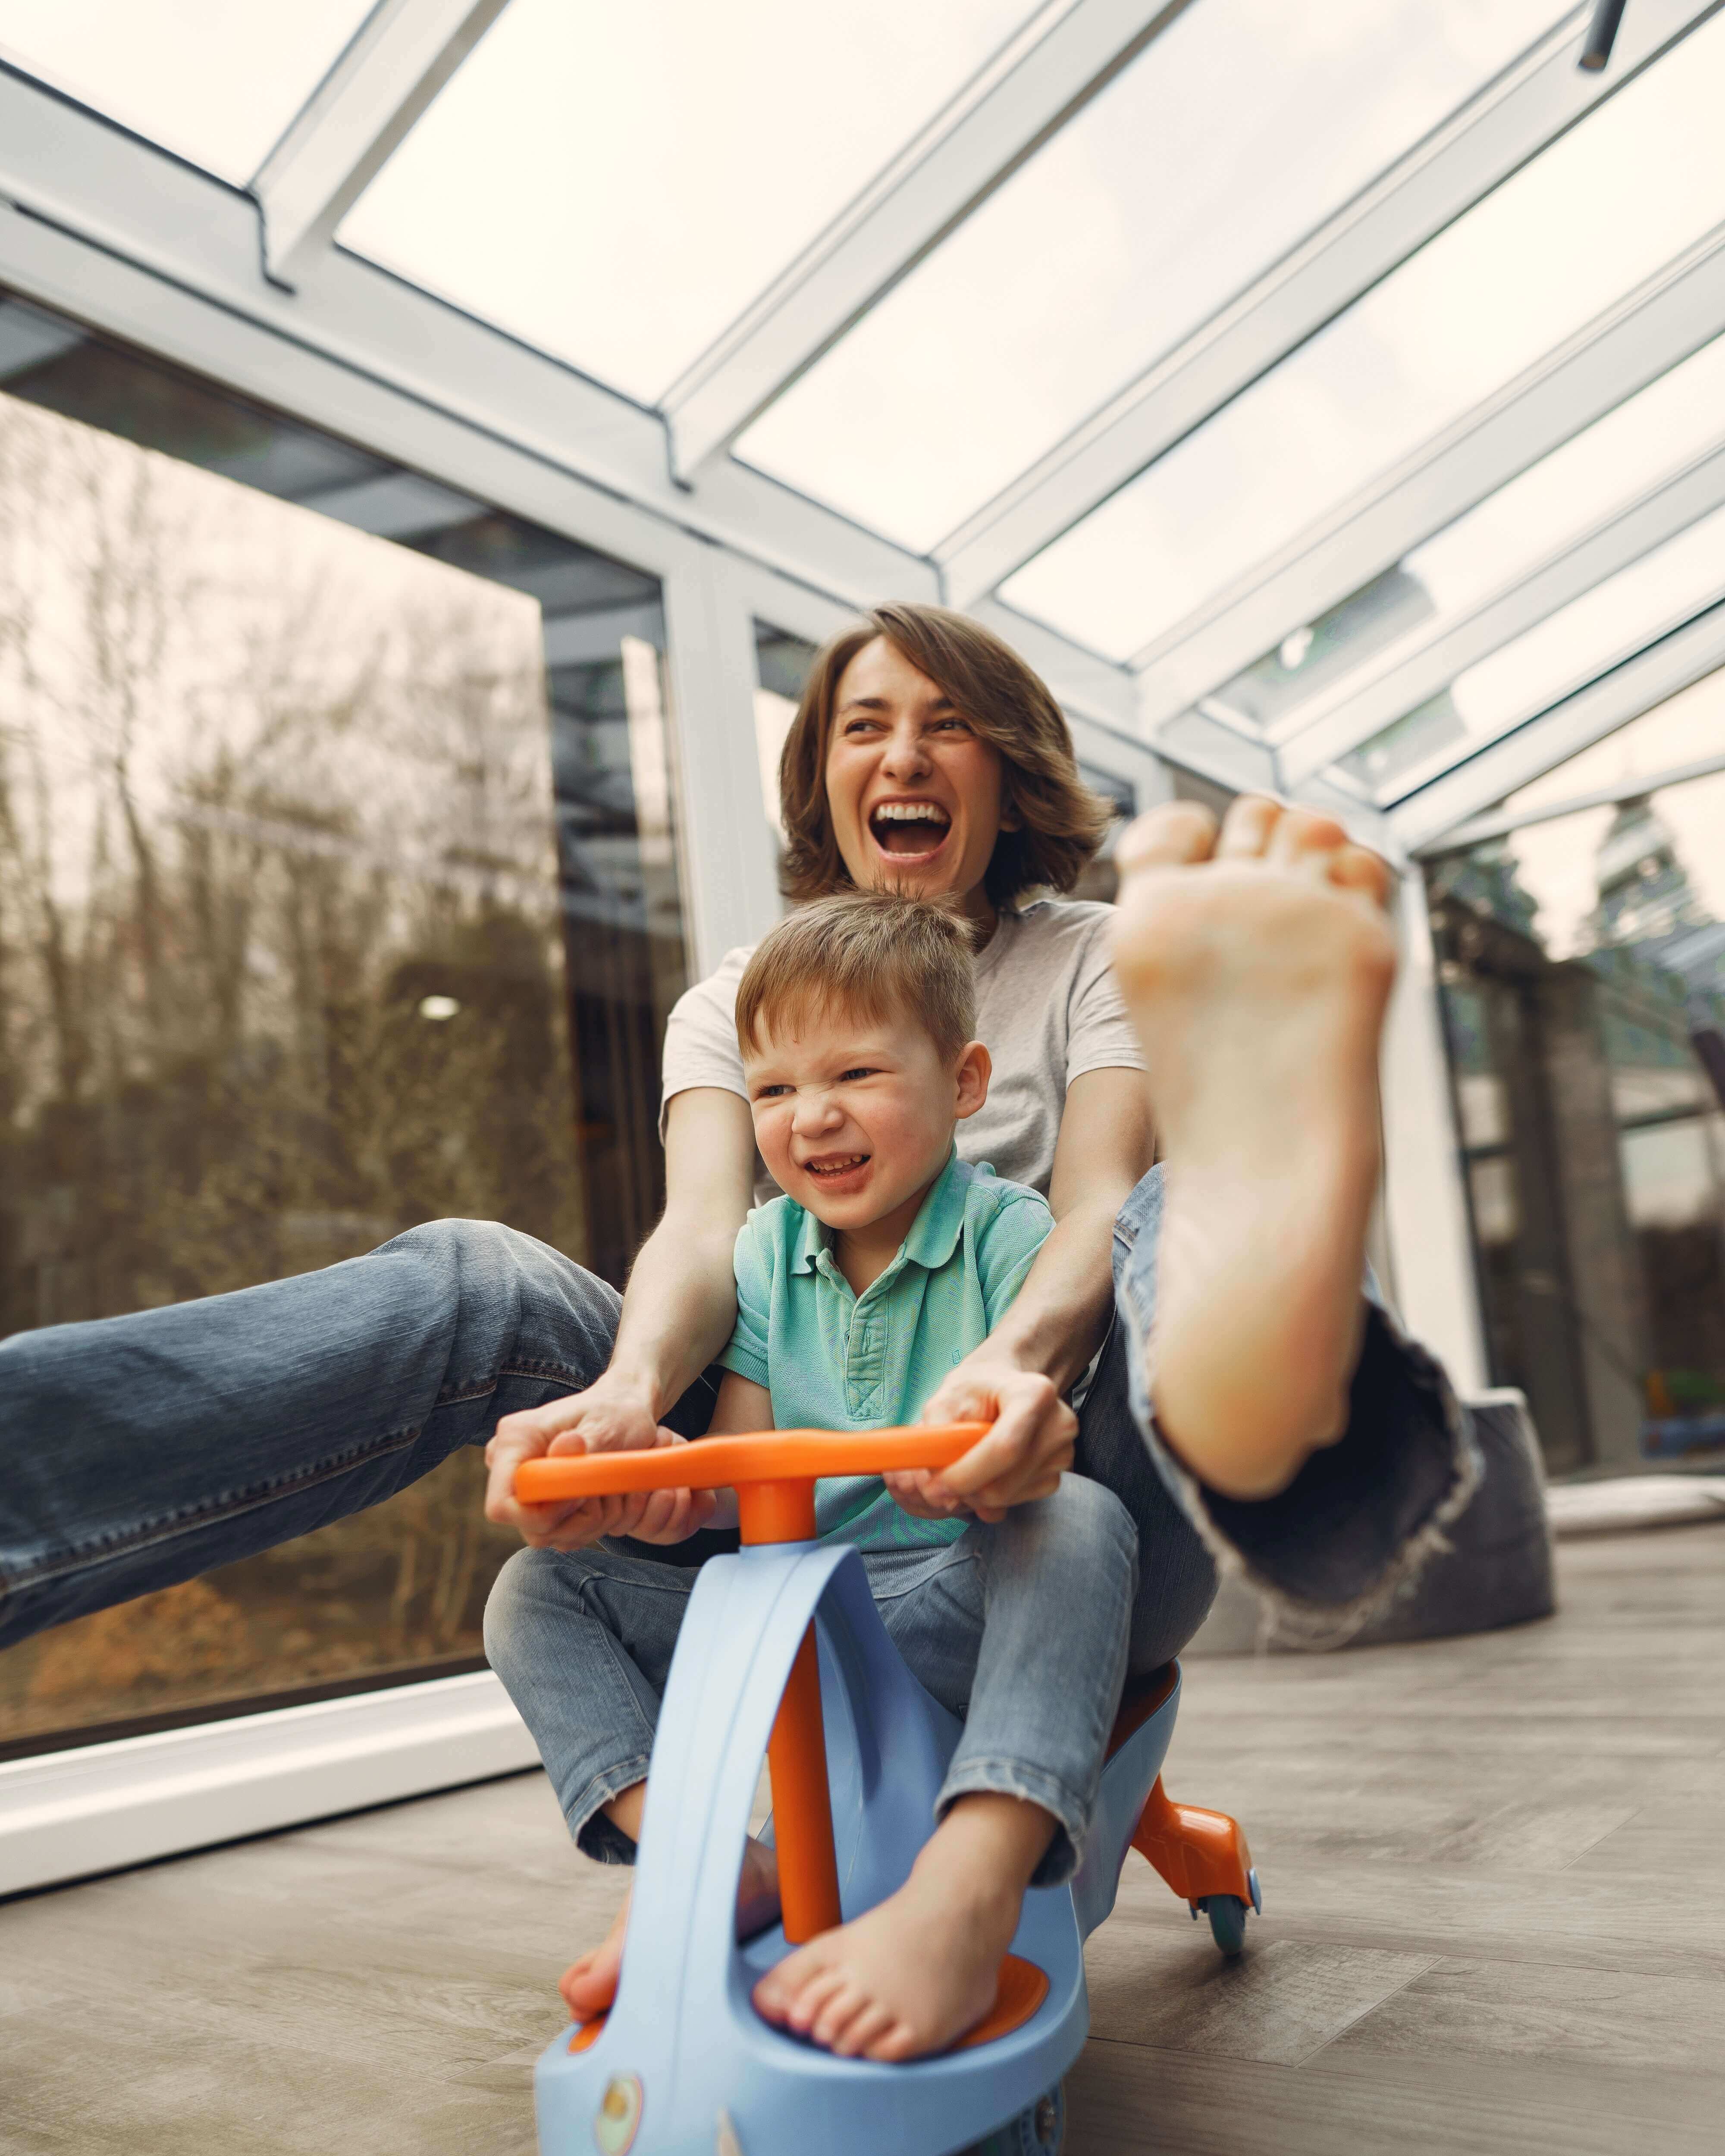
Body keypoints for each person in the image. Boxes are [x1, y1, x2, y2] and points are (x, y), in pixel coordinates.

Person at [2, 603, 1482, 1954]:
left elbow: (1090, 1200)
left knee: (1175, 1203)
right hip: (802, 1497)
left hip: (1058, 1476)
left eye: (946, 722)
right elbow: (706, 1236)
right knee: (477, 1281)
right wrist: (634, 1408)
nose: (902, 752)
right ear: (824, 779)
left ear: (1008, 770)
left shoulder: (1107, 955)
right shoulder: (732, 1007)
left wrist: (1016, 1370)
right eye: (863, 723)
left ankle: (1283, 1413)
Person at [483, 890, 1138, 2063]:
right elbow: (741, 1471)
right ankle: (704, 1864)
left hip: (940, 1600)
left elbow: (1036, 1448)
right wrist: (675, 1490)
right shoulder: (761, 1254)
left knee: (1083, 1526)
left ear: (967, 1081)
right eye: (775, 1090)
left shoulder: (1008, 1238)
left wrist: (989, 1476)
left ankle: (972, 1884)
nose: (811, 1119)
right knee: (536, 1595)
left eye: (856, 1077)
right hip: (783, 1609)